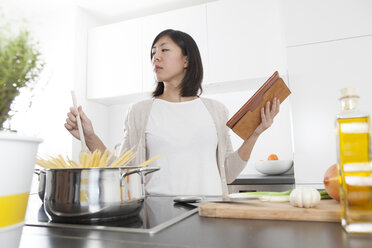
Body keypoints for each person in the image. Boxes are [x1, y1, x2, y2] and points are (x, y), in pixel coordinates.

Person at [65, 29, 280, 196]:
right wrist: (90, 136)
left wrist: (256, 133)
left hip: (209, 211)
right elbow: (123, 171)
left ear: (186, 60)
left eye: (164, 50)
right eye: (153, 53)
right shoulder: (140, 112)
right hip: (157, 213)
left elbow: (229, 172)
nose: (155, 57)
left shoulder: (216, 111)